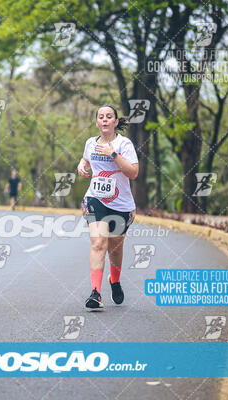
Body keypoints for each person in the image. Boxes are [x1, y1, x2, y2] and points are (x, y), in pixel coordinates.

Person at [77, 104, 139, 310]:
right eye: (101, 117)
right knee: (98, 244)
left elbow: (133, 173)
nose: (104, 119)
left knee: (115, 248)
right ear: (97, 122)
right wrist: (81, 164)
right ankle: (95, 292)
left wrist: (114, 155)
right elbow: (86, 157)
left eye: (108, 116)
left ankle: (115, 280)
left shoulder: (124, 144)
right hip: (95, 200)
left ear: (115, 122)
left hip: (121, 205)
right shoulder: (90, 143)